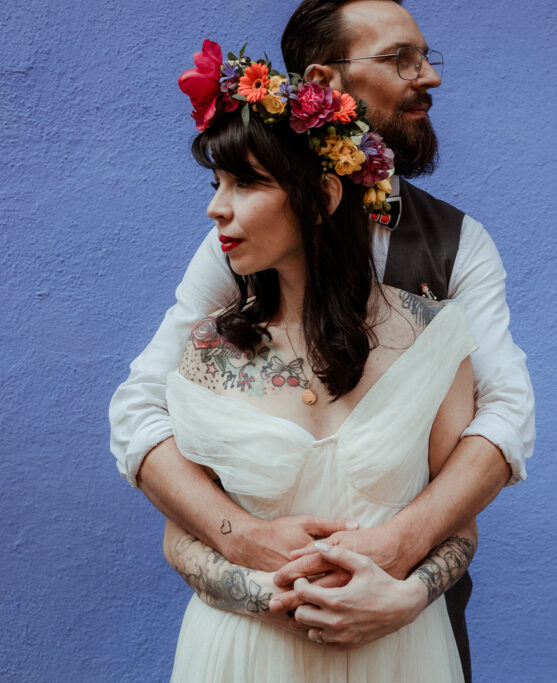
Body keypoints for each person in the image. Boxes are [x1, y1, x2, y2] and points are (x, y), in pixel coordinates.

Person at [108, 1, 535, 678]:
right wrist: (245, 541)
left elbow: (505, 416)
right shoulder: (240, 245)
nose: (429, 77)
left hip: (404, 624)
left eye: (426, 57)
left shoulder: (460, 248)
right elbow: (141, 407)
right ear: (325, 83)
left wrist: (397, 560)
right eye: (400, 58)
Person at [163, 40, 473, 680]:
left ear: (323, 197)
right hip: (243, 655)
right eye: (216, 182)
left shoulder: (433, 339)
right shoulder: (207, 350)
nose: (216, 207)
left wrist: (402, 597)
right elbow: (178, 536)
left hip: (397, 653)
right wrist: (270, 598)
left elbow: (461, 529)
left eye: (246, 183)